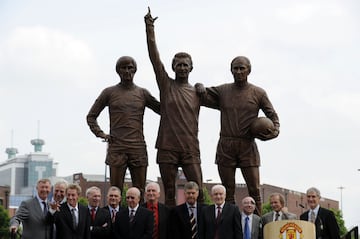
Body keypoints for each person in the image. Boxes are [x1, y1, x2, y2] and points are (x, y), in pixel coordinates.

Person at [195, 56, 280, 214]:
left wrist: (272, 133)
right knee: (227, 191)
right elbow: (203, 95)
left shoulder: (258, 93)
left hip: (247, 145)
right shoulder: (223, 91)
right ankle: (229, 223)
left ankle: (258, 225)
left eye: (242, 68)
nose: (239, 71)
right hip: (226, 145)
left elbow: (273, 117)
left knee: (254, 189)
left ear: (249, 70)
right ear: (231, 70)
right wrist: (199, 86)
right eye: (236, 68)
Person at [144, 7, 204, 206]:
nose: (182, 68)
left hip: (190, 148)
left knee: (199, 192)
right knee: (169, 193)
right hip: (167, 146)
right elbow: (154, 58)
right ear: (173, 67)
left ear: (191, 67)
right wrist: (149, 28)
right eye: (179, 65)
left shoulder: (198, 92)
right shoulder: (166, 85)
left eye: (186, 65)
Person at [87, 56, 160, 200]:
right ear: (118, 71)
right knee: (115, 192)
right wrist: (101, 134)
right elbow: (91, 116)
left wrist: (170, 94)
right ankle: (115, 221)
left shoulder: (142, 93)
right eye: (123, 68)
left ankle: (139, 221)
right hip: (117, 148)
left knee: (139, 191)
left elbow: (163, 110)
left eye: (130, 68)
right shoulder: (109, 92)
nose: (127, 71)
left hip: (137, 147)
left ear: (135, 70)